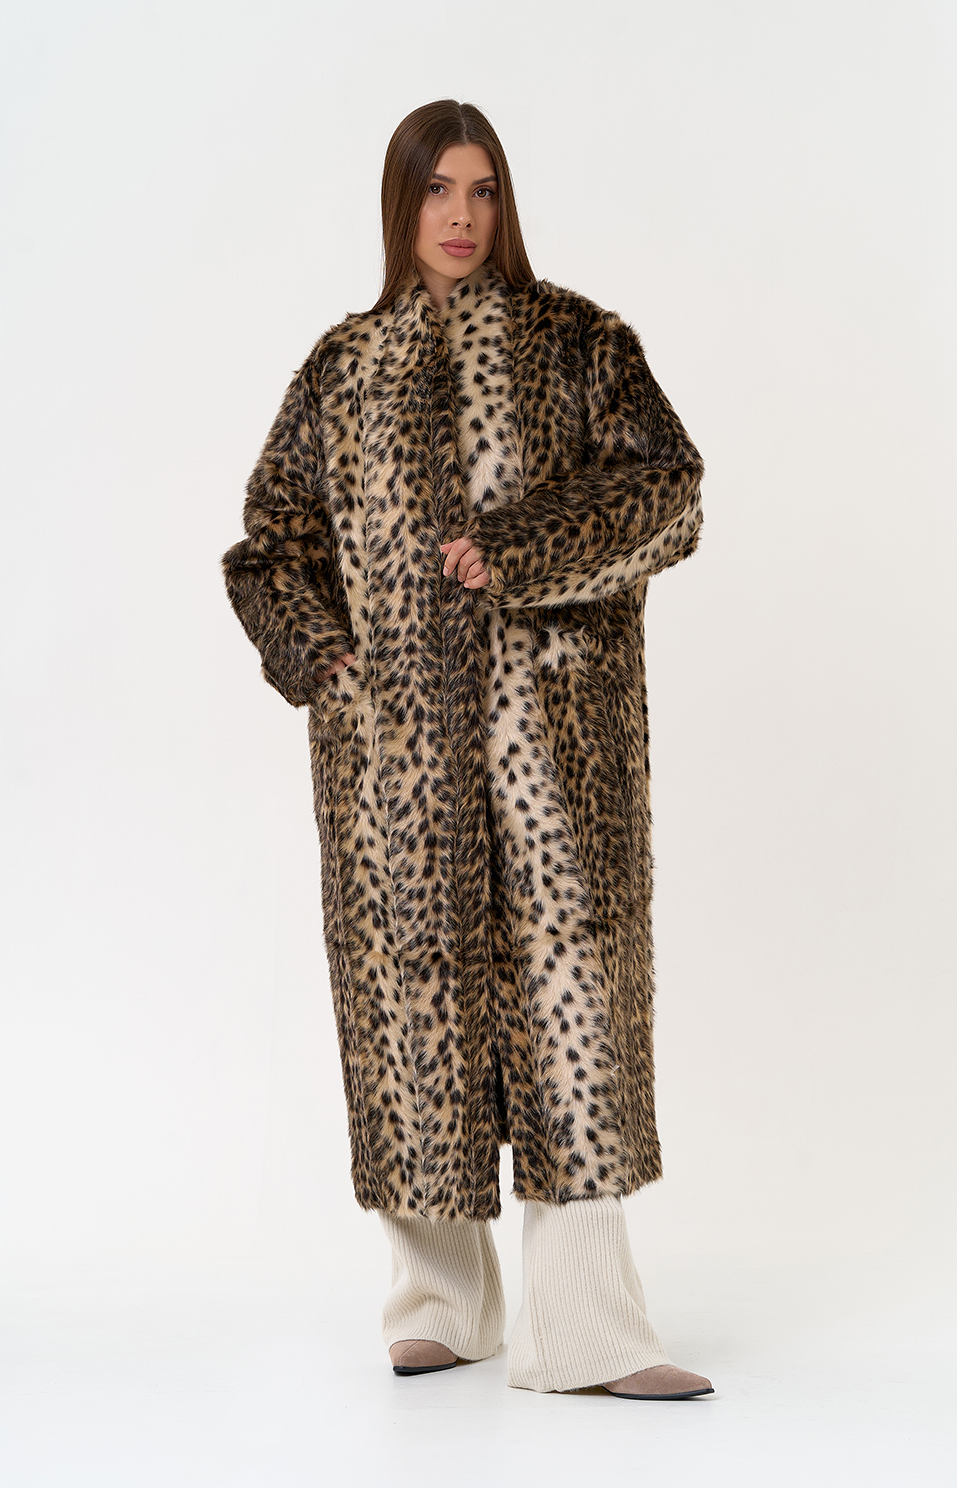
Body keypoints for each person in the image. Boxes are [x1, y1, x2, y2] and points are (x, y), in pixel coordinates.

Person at [222, 99, 712, 1401]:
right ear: (402, 204)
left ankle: (590, 1334)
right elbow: (269, 548)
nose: (460, 215)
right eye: (438, 189)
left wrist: (523, 550)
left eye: (482, 189)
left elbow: (670, 491)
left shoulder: (581, 345)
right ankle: (441, 1301)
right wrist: (326, 663)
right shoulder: (341, 369)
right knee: (414, 1022)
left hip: (559, 757)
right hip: (396, 769)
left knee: (574, 1020)